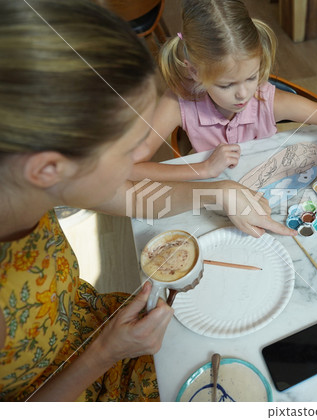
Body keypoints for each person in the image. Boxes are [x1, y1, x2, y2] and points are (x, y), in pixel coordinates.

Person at [0, 0, 295, 402]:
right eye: (127, 147)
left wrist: (217, 191)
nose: (142, 155)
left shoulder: (22, 184)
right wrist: (105, 353)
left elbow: (133, 198)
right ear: (49, 168)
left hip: (88, 328)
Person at [131, 0, 317, 185]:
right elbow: (127, 167)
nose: (244, 94)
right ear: (194, 72)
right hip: (214, 198)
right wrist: (203, 169)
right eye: (226, 85)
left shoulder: (268, 101)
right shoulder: (177, 103)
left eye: (252, 77)